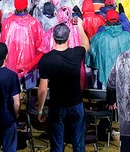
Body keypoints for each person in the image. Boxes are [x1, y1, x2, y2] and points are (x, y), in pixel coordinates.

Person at [37, 22, 90, 152]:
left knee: (57, 145)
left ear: (53, 38)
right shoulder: (76, 54)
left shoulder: (46, 59)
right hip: (75, 104)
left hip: (57, 105)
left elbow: (43, 89)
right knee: (78, 144)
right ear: (69, 37)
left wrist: (40, 109)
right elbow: (86, 44)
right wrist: (80, 27)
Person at [0, 0, 44, 81]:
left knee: (12, 89)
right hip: (29, 62)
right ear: (27, 5)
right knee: (28, 88)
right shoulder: (34, 23)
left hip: (10, 64)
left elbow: (2, 42)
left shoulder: (7, 22)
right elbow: (41, 45)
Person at [87, 9, 130, 88]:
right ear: (118, 20)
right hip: (123, 79)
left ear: (106, 20)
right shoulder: (128, 36)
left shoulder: (98, 37)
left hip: (104, 79)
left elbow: (90, 56)